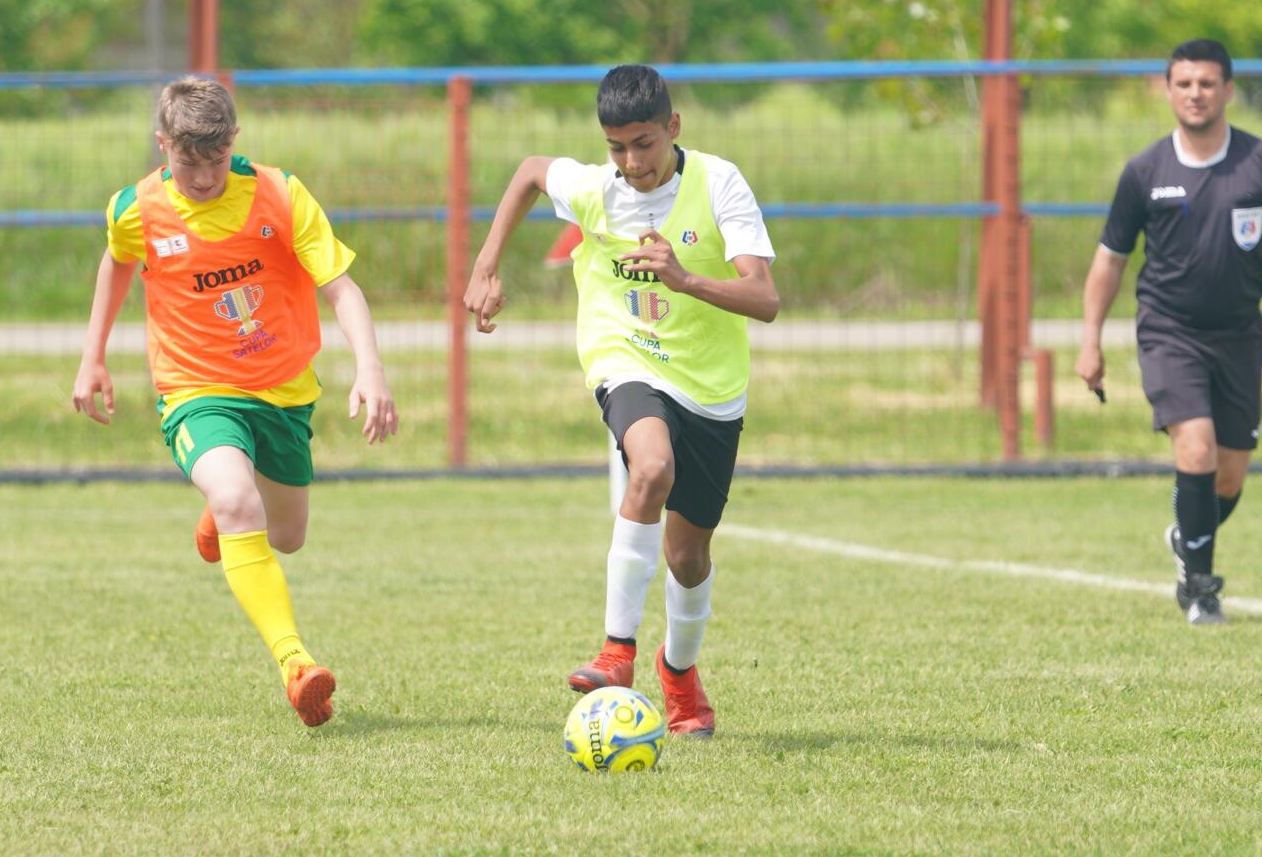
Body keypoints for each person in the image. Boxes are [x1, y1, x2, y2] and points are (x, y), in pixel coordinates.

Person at [463, 64, 778, 736]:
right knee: (651, 466)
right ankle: (616, 651)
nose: (631, 163)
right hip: (624, 356)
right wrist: (486, 266)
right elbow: (529, 172)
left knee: (687, 558)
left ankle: (679, 673)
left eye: (643, 144)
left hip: (712, 387)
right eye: (616, 147)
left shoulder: (719, 183)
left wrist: (685, 279)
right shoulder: (596, 188)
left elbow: (765, 298)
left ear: (673, 127)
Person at [71, 77, 398, 725]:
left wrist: (371, 369)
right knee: (238, 501)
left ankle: (219, 513)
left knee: (288, 536)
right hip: (196, 389)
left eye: (215, 162)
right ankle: (296, 665)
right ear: (163, 144)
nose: (202, 178)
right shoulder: (136, 209)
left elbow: (341, 288)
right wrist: (93, 355)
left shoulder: (280, 194)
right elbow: (118, 261)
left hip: (283, 393)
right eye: (187, 162)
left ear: (235, 142)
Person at [1076, 39, 1262, 625]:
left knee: (1229, 476)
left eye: (1207, 83)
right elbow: (1110, 259)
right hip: (1169, 330)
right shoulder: (1145, 171)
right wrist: (1090, 339)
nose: (1195, 94)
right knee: (1196, 448)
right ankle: (1202, 591)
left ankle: (1185, 537)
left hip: (1239, 335)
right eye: (1184, 84)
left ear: (1228, 91)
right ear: (1168, 91)